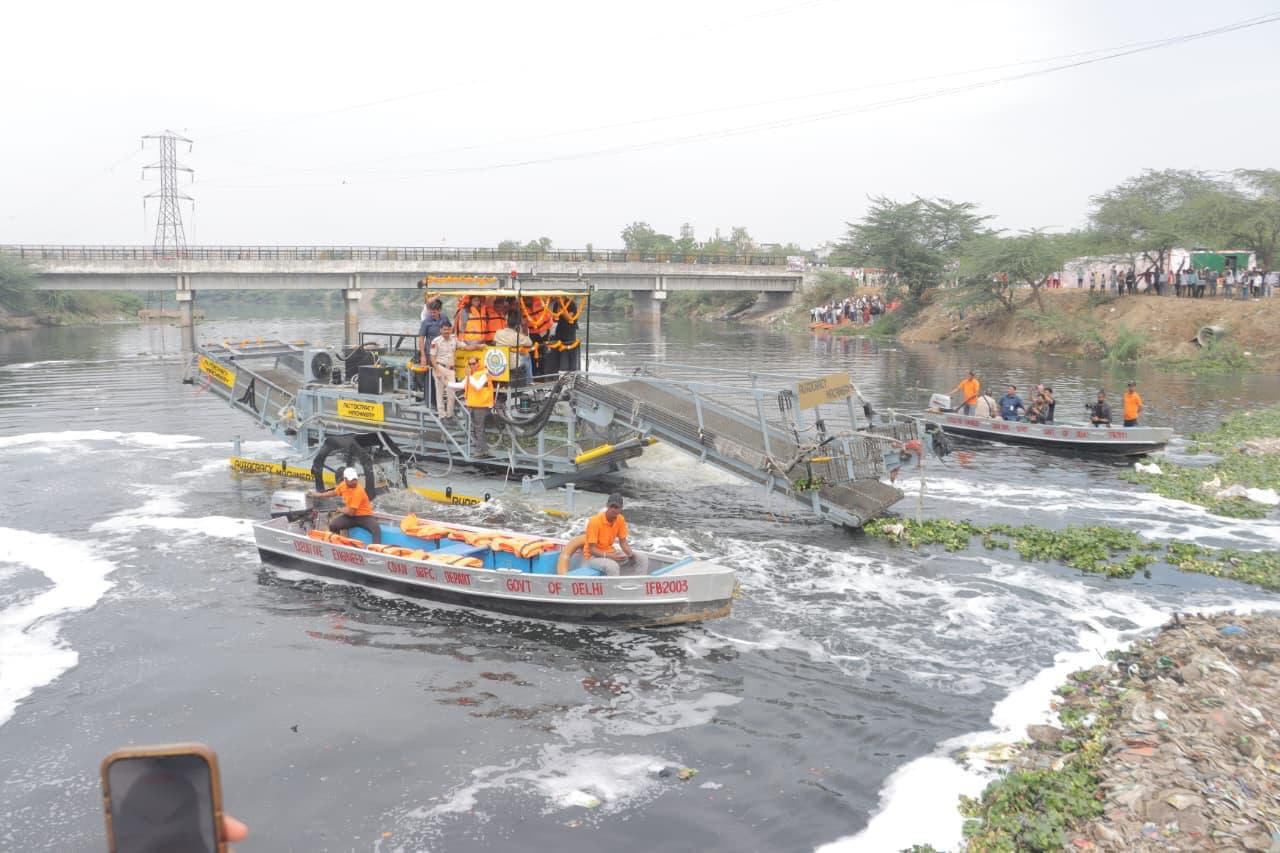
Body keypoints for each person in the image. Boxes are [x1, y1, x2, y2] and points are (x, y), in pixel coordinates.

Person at [581, 493, 648, 577]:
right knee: (613, 566)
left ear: (621, 509)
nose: (613, 509)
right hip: (592, 557)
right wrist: (610, 556)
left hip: (611, 552)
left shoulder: (620, 519)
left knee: (642, 558)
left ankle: (639, 583)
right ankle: (614, 588)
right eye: (611, 506)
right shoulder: (595, 521)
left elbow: (623, 542)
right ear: (607, 506)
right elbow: (592, 550)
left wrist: (630, 554)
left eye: (616, 507)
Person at [309, 467, 381, 544]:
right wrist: (319, 495)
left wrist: (340, 509)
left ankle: (376, 549)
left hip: (364, 516)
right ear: (345, 479)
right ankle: (336, 543)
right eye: (351, 480)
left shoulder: (358, 491)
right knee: (333, 525)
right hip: (351, 517)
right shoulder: (343, 485)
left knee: (376, 529)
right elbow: (334, 492)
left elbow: (351, 512)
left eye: (355, 479)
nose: (354, 482)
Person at [464, 355, 495, 458]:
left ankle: (480, 450)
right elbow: (462, 385)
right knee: (477, 428)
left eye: (473, 363)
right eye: (470, 364)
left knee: (479, 429)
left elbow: (477, 386)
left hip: (481, 405)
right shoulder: (473, 375)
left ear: (478, 363)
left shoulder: (484, 374)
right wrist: (446, 382)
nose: (471, 366)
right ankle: (483, 449)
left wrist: (469, 376)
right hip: (474, 405)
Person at [416, 298, 447, 401]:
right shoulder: (426, 322)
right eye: (431, 312)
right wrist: (423, 356)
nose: (432, 314)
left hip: (442, 354)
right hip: (430, 354)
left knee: (441, 377)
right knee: (430, 378)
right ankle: (429, 401)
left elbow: (449, 331)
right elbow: (421, 338)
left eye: (434, 312)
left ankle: (440, 400)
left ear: (439, 310)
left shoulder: (444, 318)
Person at [493, 309, 534, 384]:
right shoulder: (518, 337)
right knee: (526, 355)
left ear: (506, 322)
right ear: (517, 324)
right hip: (513, 366)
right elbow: (530, 343)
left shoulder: (498, 333)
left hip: (500, 365)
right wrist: (524, 328)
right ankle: (529, 382)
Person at [429, 320, 459, 418]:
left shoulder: (454, 339)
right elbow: (432, 357)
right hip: (440, 367)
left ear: (451, 330)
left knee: (452, 393)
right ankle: (442, 415)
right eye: (444, 329)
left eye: (448, 329)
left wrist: (478, 346)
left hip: (450, 370)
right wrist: (437, 370)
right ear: (441, 330)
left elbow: (466, 347)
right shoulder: (436, 341)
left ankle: (449, 414)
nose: (447, 331)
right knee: (440, 392)